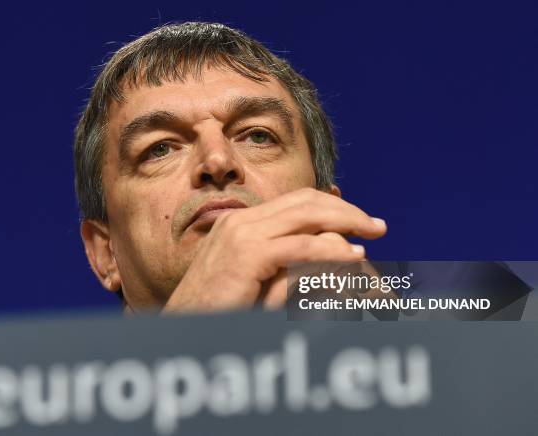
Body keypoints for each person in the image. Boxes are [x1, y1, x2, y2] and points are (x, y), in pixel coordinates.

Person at [74, 21, 388, 314]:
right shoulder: (31, 371)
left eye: (258, 136)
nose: (217, 161)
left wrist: (400, 350)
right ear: (106, 253)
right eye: (160, 149)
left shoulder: (408, 354)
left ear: (328, 214)